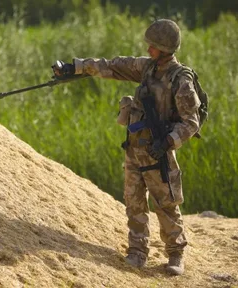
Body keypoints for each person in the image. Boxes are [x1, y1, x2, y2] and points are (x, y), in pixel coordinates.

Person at [53, 19, 202, 276]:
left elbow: (191, 122)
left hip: (159, 152)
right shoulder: (146, 68)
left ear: (165, 49)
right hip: (134, 148)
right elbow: (111, 66)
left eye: (152, 47)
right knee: (133, 201)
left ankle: (175, 253)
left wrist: (167, 141)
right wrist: (74, 68)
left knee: (165, 203)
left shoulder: (181, 81)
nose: (148, 50)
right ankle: (137, 251)